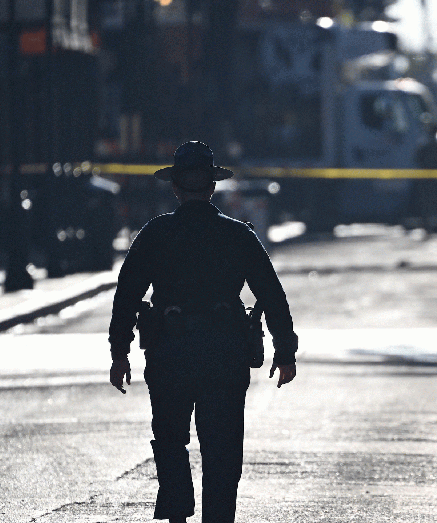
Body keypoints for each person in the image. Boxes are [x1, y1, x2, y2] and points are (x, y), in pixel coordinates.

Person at [108, 141, 298, 523]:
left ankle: (178, 508)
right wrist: (285, 350)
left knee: (170, 441)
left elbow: (126, 296)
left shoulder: (155, 234)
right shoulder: (237, 236)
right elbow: (271, 294)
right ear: (212, 187)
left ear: (176, 188)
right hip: (223, 356)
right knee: (223, 452)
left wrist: (120, 354)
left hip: (169, 355)